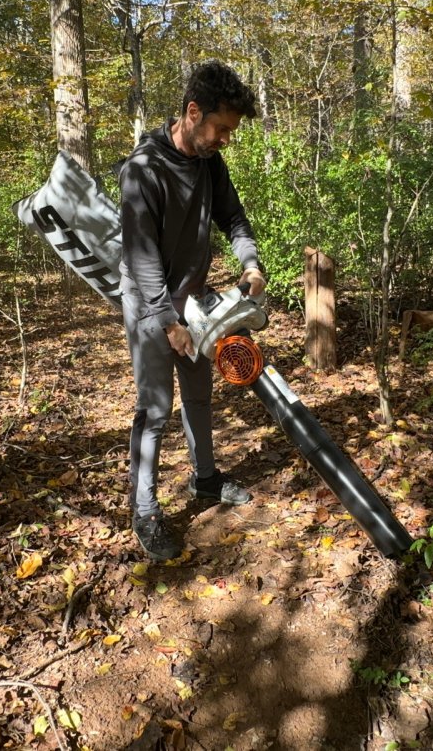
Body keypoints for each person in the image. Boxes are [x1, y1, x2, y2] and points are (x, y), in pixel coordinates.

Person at [118, 61, 267, 561]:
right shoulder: (144, 171)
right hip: (149, 306)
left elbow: (234, 217)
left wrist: (251, 264)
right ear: (192, 112)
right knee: (155, 410)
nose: (226, 139)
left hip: (193, 302)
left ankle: (206, 480)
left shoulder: (210, 164)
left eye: (231, 132)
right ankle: (145, 512)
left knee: (199, 399)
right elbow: (141, 260)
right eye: (221, 128)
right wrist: (169, 323)